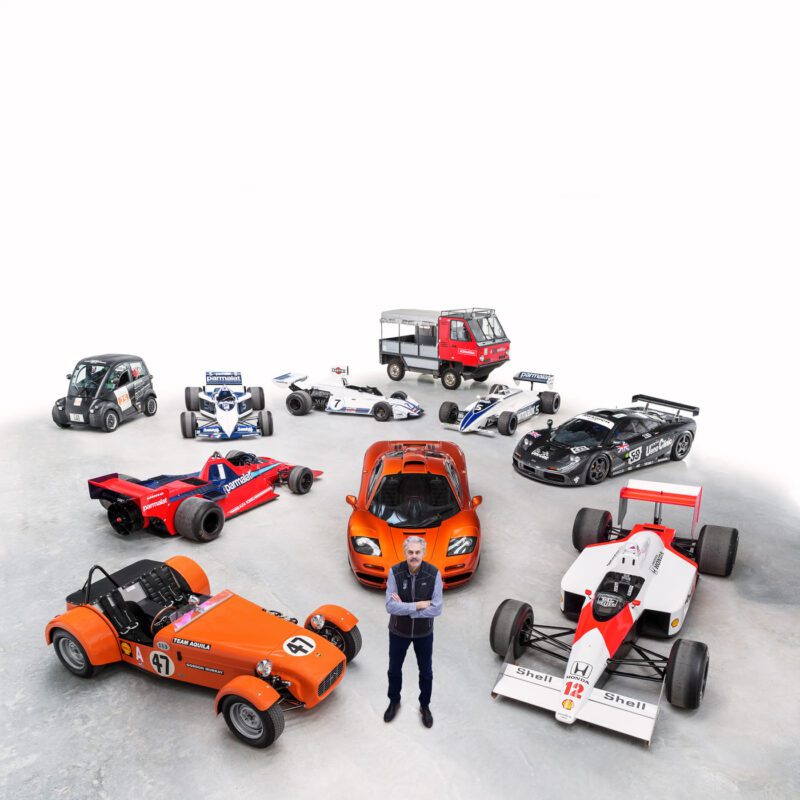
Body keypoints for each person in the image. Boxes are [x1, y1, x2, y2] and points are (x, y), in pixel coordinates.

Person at [384, 535, 443, 728]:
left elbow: (436, 609)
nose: (414, 556)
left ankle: (425, 706)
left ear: (423, 553)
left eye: (418, 552)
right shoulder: (395, 572)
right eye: (410, 552)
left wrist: (407, 610)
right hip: (397, 631)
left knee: (426, 672)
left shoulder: (434, 574)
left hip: (423, 633)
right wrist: (417, 606)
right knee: (394, 669)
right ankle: (394, 701)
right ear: (405, 552)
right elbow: (390, 607)